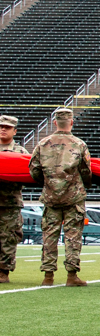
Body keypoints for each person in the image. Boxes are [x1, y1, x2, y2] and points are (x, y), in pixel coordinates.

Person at [28, 107, 92, 287]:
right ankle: (72, 276)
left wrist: (48, 183)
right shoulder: (79, 144)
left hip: (50, 198)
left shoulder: (42, 144)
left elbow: (34, 170)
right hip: (74, 198)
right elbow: (86, 171)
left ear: (54, 122)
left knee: (49, 236)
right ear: (71, 122)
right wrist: (84, 185)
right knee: (73, 237)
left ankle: (48, 276)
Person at [0, 115, 28, 284]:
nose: (3, 129)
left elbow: (28, 174)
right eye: (1, 126)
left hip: (9, 202)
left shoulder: (20, 152)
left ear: (14, 131)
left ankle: (3, 271)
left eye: (7, 127)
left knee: (8, 237)